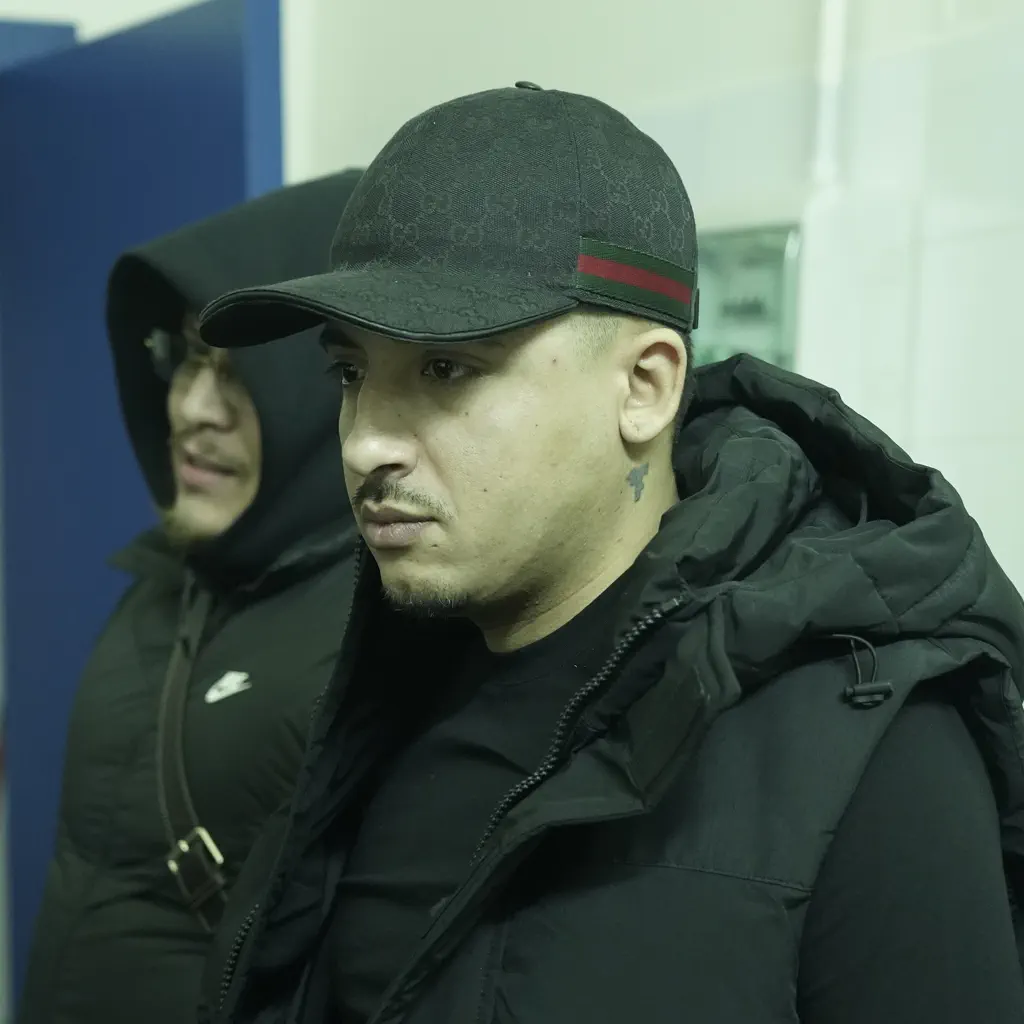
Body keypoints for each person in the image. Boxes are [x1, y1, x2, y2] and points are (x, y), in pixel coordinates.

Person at [197, 85, 1024, 1024]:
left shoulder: (874, 749)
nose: (365, 444)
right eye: (351, 373)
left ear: (644, 387)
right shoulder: (377, 693)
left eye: (445, 368)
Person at [17, 169, 364, 1024]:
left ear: (320, 388)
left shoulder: (378, 628)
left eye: (239, 372)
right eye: (186, 359)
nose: (192, 410)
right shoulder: (168, 584)